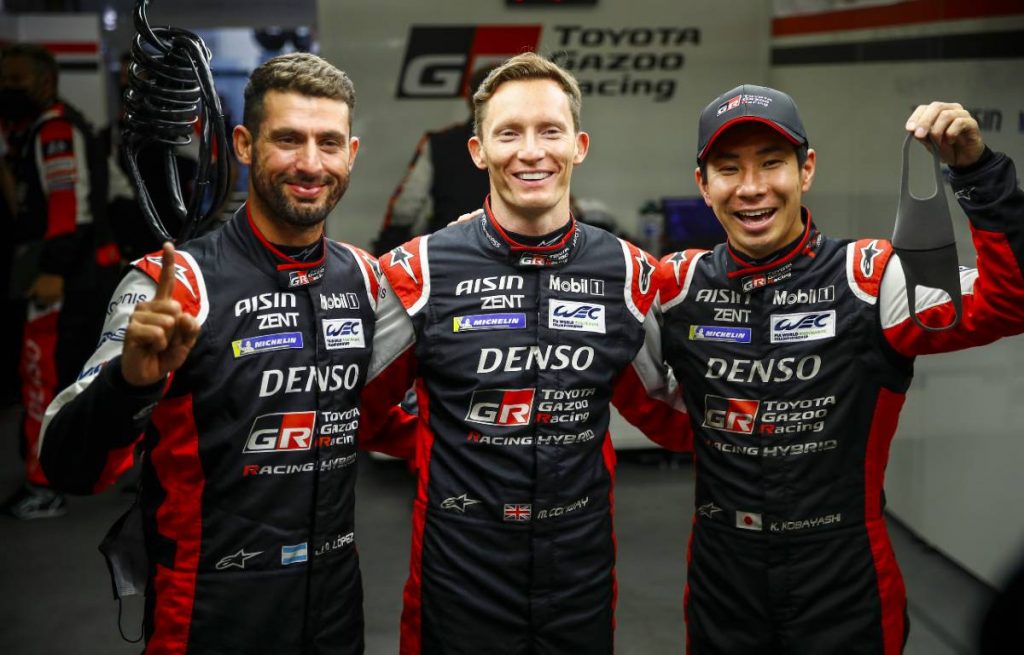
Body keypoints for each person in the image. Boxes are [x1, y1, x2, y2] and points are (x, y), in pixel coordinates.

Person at [37, 53, 412, 654]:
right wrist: (130, 384)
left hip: (336, 601)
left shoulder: (364, 280)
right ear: (243, 143)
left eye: (329, 143)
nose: (311, 164)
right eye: (288, 139)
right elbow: (68, 468)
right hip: (211, 608)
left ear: (352, 153)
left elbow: (386, 422)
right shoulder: (175, 283)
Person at [656, 84, 1024, 653]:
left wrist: (977, 175)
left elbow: (1011, 302)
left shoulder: (871, 278)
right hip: (722, 570)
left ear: (806, 170)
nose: (752, 188)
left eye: (772, 164)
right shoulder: (677, 287)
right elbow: (651, 402)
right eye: (729, 169)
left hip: (842, 570)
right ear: (703, 185)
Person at [366, 52, 690, 654]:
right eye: (508, 133)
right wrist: (440, 443)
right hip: (458, 569)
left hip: (579, 569)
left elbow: (668, 415)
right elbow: (356, 412)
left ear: (579, 144)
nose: (531, 151)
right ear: (478, 151)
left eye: (550, 131)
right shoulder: (420, 271)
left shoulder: (627, 273)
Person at [0, 43, 120, 519]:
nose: (8, 89)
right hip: (73, 269)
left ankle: (44, 486)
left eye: (17, 80)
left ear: (45, 82)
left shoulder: (54, 129)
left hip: (68, 274)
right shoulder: (31, 131)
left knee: (42, 375)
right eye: (3, 80)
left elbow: (69, 208)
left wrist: (52, 269)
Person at [372, 66, 492, 256]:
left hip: (449, 252)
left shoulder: (439, 143)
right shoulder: (526, 145)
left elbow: (405, 208)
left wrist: (388, 252)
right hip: (512, 251)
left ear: (469, 98)